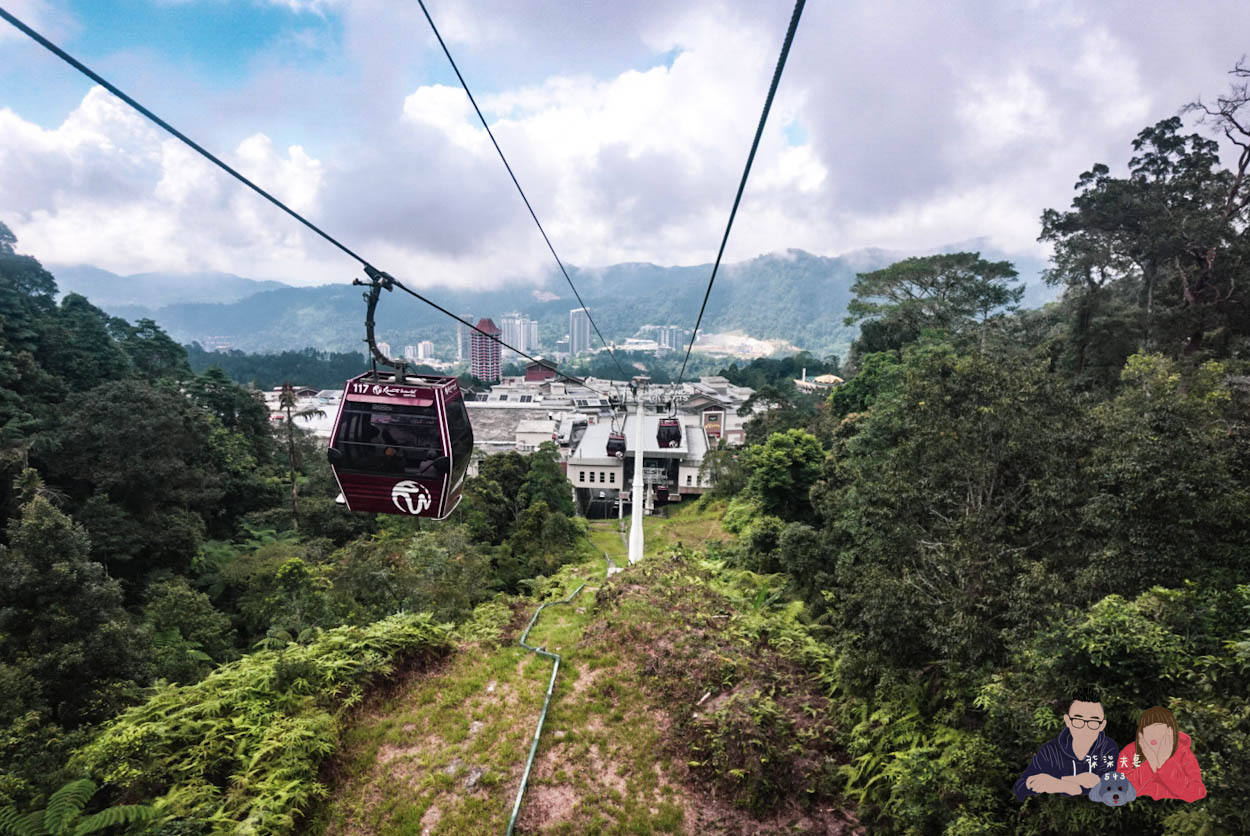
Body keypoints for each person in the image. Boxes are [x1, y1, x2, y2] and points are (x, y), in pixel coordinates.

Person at [1013, 696, 1119, 800]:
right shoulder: (1051, 750)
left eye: (1093, 722)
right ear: (1068, 721)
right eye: (1078, 720)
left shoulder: (1108, 748)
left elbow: (1111, 789)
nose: (1085, 728)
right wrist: (1067, 785)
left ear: (1102, 725)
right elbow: (1020, 787)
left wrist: (1061, 783)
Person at [1117, 706, 1206, 802]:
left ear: (1169, 731)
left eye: (1158, 727)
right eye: (1147, 727)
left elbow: (1196, 793)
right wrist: (1150, 763)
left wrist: (1164, 762)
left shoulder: (1183, 753)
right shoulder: (1130, 752)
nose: (1152, 733)